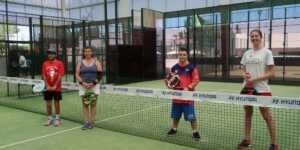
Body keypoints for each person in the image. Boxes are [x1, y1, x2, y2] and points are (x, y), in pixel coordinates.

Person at [238, 29, 278, 150]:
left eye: (256, 36)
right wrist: (244, 75)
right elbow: (243, 69)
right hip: (247, 89)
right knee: (248, 114)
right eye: (252, 36)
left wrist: (255, 78)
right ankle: (247, 140)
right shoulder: (247, 53)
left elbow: (272, 73)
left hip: (262, 89)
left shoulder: (267, 53)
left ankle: (274, 144)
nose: (254, 38)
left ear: (261, 37)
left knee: (267, 116)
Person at [165, 47, 200, 140]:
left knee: (191, 117)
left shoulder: (192, 68)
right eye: (180, 54)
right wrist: (168, 85)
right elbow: (170, 80)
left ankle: (195, 132)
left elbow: (196, 80)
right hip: (176, 96)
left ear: (187, 55)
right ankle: (174, 129)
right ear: (178, 55)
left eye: (184, 54)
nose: (182, 56)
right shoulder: (174, 68)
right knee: (176, 115)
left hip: (188, 98)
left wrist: (188, 87)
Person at [76, 46, 103, 130]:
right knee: (85, 104)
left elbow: (100, 74)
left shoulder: (96, 62)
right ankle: (86, 122)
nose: (87, 53)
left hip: (94, 86)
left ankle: (92, 122)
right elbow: (77, 74)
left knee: (93, 104)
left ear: (91, 52)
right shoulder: (80, 62)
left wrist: (93, 83)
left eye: (89, 51)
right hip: (83, 86)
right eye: (86, 51)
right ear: (84, 53)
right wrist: (82, 83)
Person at [42, 48, 65, 127]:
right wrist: (47, 85)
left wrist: (55, 85)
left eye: (52, 53)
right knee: (48, 104)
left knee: (56, 103)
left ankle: (57, 119)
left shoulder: (60, 63)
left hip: (57, 88)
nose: (50, 55)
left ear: (55, 55)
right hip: (47, 87)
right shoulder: (45, 63)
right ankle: (49, 118)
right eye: (49, 54)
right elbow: (44, 75)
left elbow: (60, 75)